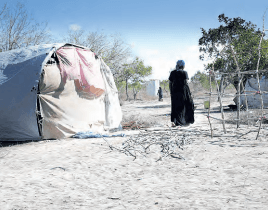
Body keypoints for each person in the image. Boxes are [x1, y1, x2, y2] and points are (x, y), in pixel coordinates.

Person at [169, 60, 194, 127]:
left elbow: (170, 83)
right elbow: (186, 83)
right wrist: (189, 93)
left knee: (175, 106)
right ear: (183, 66)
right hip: (183, 92)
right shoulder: (184, 73)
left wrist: (171, 92)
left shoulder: (172, 73)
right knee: (186, 105)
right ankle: (185, 121)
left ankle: (176, 122)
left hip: (174, 92)